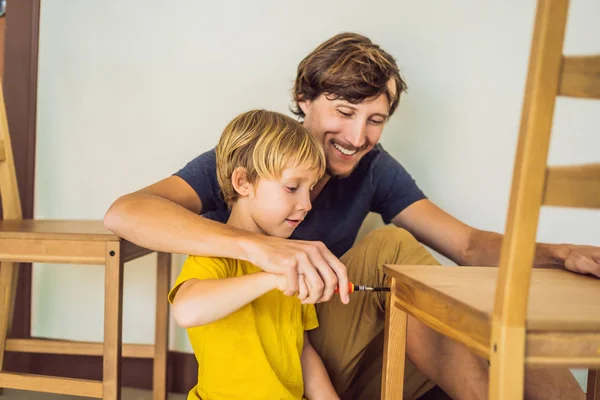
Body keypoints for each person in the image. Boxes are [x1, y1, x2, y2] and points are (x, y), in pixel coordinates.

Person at [104, 33, 597, 399]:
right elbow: (126, 212)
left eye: (375, 119)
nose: (357, 136)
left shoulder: (372, 169)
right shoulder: (254, 160)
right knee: (391, 249)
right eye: (344, 111)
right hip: (271, 356)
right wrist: (264, 252)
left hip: (315, 348)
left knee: (485, 321)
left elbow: (467, 246)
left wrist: (558, 253)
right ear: (305, 102)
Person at [168, 109, 339, 400]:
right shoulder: (212, 256)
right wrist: (271, 278)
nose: (307, 204)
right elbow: (186, 310)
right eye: (292, 188)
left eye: (309, 189)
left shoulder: (293, 260)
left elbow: (302, 350)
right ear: (243, 182)